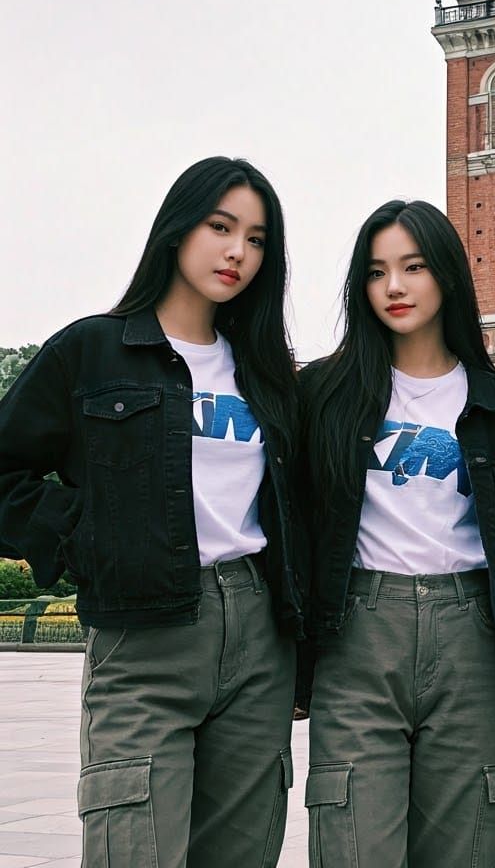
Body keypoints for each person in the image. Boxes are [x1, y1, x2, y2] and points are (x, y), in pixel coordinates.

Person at [0, 157, 303, 867]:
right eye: (220, 226)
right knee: (130, 849)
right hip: (143, 642)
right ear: (176, 229)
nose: (237, 252)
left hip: (257, 641)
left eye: (257, 239)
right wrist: (84, 539)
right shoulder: (95, 351)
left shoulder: (265, 371)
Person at [299, 199, 495, 867]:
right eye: (377, 273)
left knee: (469, 843)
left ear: (449, 277)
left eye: (414, 267)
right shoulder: (325, 391)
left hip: (471, 635)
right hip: (358, 634)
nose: (395, 287)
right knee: (351, 840)